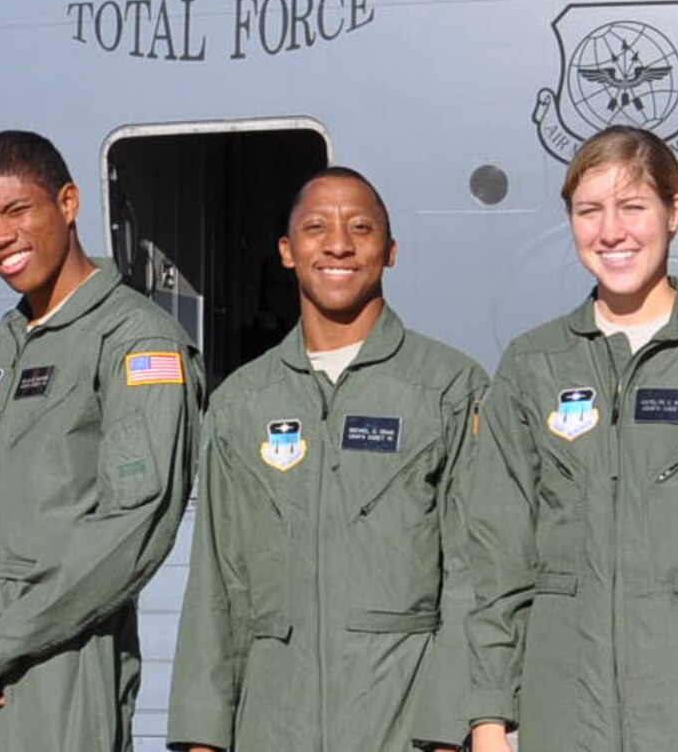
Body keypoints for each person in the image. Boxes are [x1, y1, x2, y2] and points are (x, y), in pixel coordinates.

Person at [466, 126, 678, 752]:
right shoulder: (534, 364)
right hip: (564, 712)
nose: (611, 232)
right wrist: (488, 715)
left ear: (675, 212)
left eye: (633, 206)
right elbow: (496, 553)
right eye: (590, 211)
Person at [0, 130, 203, 752]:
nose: (0, 236)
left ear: (68, 203)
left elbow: (132, 525)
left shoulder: (136, 342)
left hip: (54, 673)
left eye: (17, 211)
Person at [167, 167, 487, 752]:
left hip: (402, 728)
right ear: (288, 252)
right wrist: (201, 737)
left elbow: (470, 577)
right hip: (271, 725)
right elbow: (216, 583)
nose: (338, 244)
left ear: (390, 252)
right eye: (317, 228)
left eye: (360, 228)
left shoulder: (447, 388)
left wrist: (447, 732)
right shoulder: (243, 402)